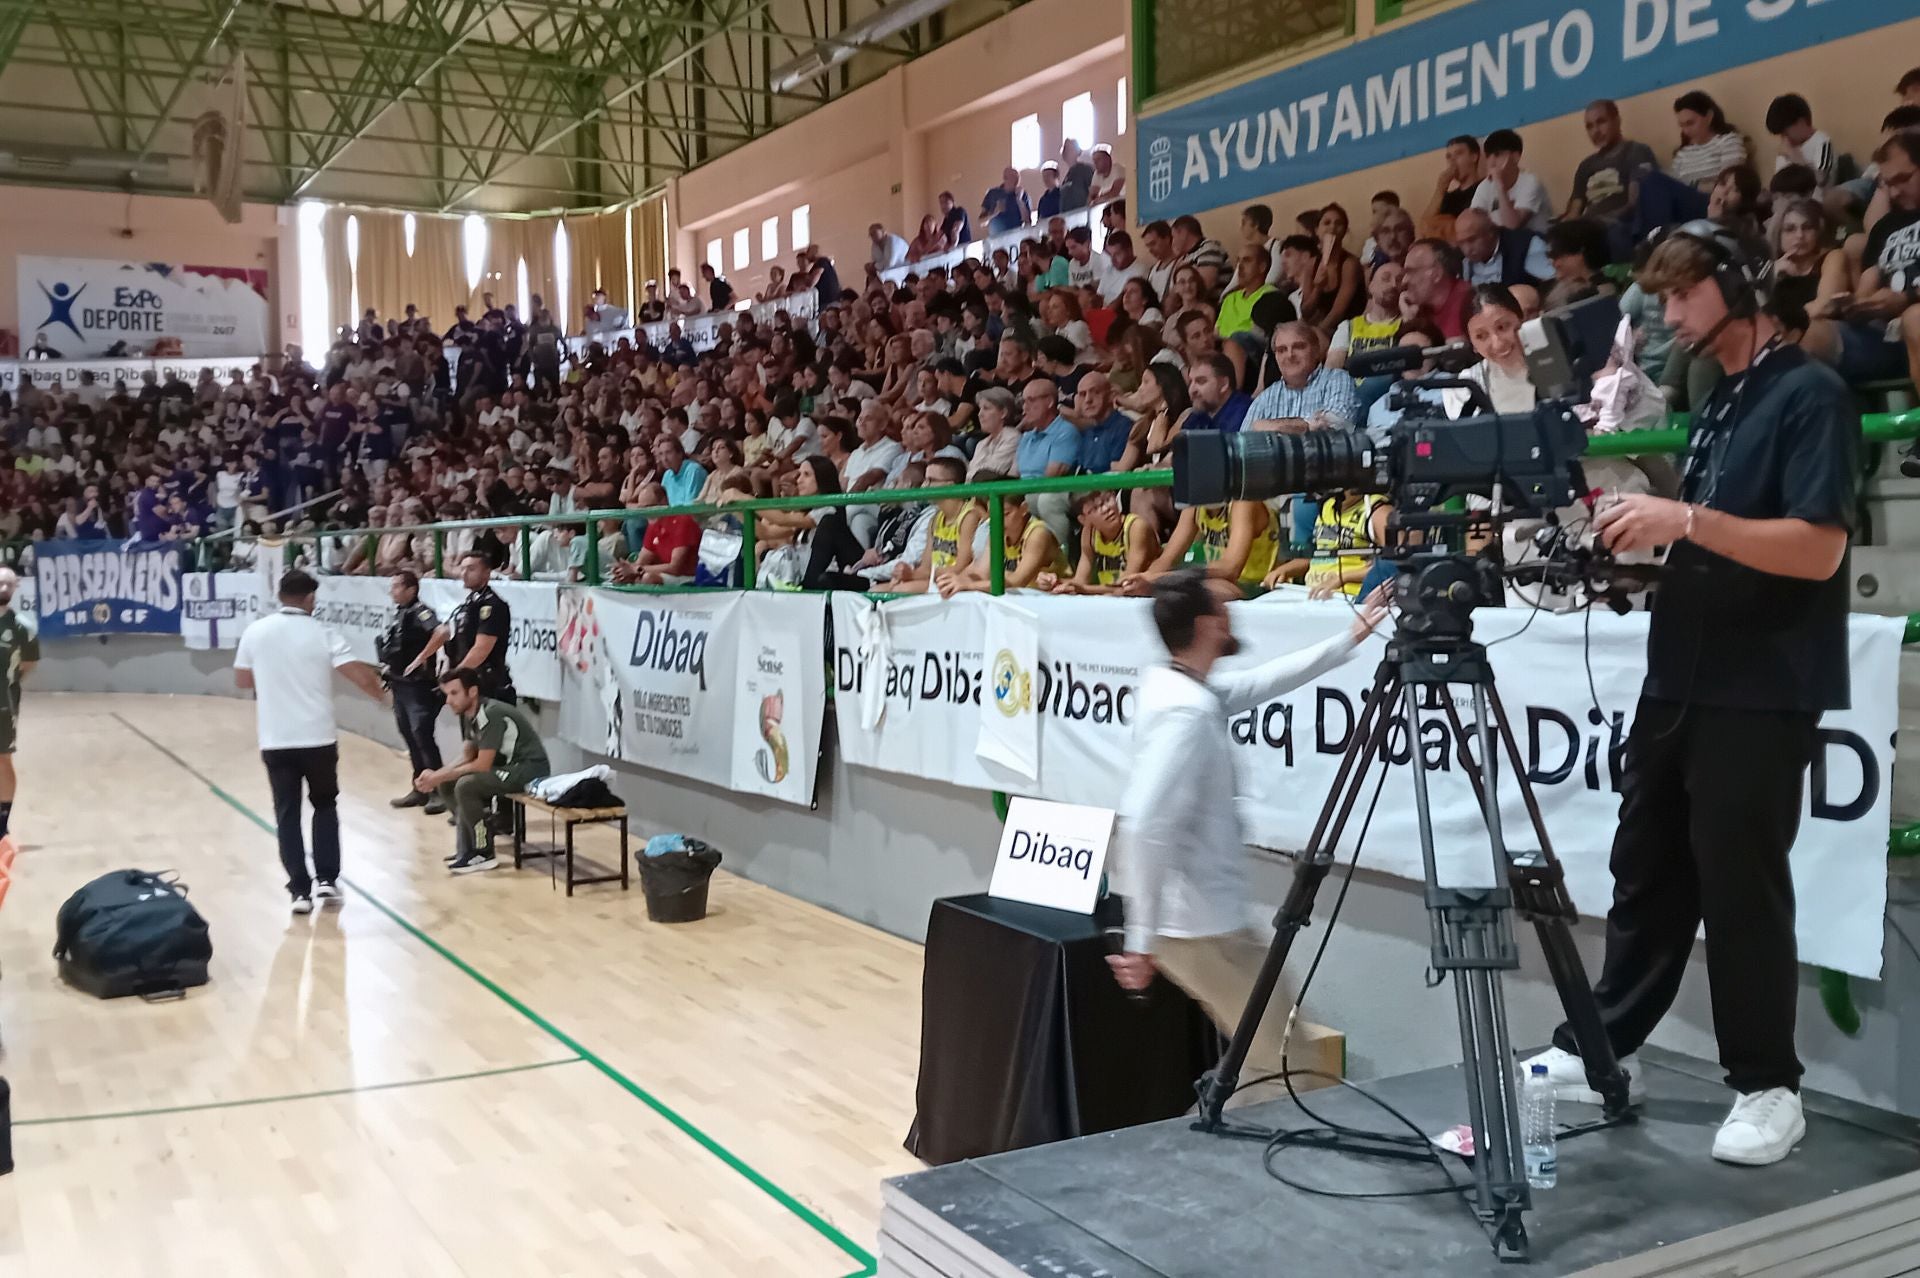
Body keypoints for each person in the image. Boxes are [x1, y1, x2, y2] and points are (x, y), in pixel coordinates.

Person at [1522, 223, 1858, 1168]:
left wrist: (1685, 518)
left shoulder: (1811, 395)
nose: (1666, 315)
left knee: (1741, 884)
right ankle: (1597, 1049)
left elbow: (1818, 547)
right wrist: (1642, 552)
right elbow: (1708, 540)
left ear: (1737, 285)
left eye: (1680, 296)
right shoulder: (1716, 401)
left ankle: (1768, 1086)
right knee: (1647, 868)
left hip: (1763, 682)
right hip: (1682, 672)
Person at [1108, 572, 1385, 1090]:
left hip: (1209, 924)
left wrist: (1350, 637)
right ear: (1208, 624)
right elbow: (1145, 824)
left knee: (1277, 1060)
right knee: (1290, 1068)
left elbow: (1265, 681)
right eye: (1225, 607)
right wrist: (1141, 937)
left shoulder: (1180, 689)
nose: (1234, 613)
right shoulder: (1185, 715)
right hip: (1198, 930)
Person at [233, 569, 386, 915]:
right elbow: (359, 675)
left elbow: (242, 679)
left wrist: (275, 676)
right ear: (310, 599)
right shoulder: (323, 633)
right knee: (324, 805)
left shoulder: (256, 632)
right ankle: (328, 880)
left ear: (280, 595)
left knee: (287, 814)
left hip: (275, 739)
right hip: (317, 738)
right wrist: (383, 696)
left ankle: (299, 892)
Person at [417, 668, 552, 875]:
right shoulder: (468, 715)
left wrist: (436, 776)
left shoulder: (491, 713)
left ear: (472, 692)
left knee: (466, 785)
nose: (448, 701)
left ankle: (483, 852)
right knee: (448, 784)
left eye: (454, 693)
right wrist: (438, 776)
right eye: (446, 695)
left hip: (527, 769)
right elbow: (466, 757)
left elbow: (482, 765)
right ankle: (468, 846)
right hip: (506, 767)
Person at [404, 549, 516, 704]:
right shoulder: (468, 605)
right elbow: (445, 633)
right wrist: (421, 658)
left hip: (489, 685)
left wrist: (455, 676)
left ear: (487, 573)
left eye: (471, 569)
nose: (464, 573)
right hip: (469, 682)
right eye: (462, 568)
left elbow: (482, 649)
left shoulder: (492, 606)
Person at [376, 570, 447, 814]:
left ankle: (439, 791)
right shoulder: (400, 613)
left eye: (396, 586)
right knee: (409, 736)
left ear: (411, 589)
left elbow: (442, 632)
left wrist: (421, 658)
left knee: (422, 737)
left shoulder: (420, 612)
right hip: (400, 685)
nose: (392, 591)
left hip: (419, 687)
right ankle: (420, 788)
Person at [0, 566, 37, 844]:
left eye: (8, 584)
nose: (3, 588)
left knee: (2, 760)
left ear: (15, 588)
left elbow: (28, 664)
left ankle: (2, 823)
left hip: (4, 706)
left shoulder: (23, 626)